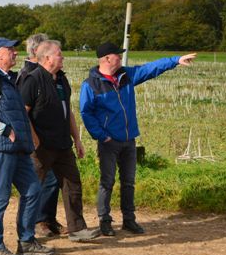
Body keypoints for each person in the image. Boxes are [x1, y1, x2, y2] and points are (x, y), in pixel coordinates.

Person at [80, 43, 197, 235]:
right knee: (107, 182)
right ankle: (105, 221)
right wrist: (102, 136)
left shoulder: (127, 76)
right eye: (118, 55)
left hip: (129, 140)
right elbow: (86, 113)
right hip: (109, 142)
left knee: (128, 182)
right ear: (107, 59)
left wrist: (175, 60)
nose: (121, 57)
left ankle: (129, 220)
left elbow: (150, 69)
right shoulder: (91, 84)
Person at [0, 37, 54, 255]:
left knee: (33, 191)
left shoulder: (8, 79)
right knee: (0, 197)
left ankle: (27, 242)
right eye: (10, 50)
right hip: (2, 148)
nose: (16, 53)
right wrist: (6, 131)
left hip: (18, 148)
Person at [19, 40, 100, 242]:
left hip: (63, 144)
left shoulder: (62, 80)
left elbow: (68, 112)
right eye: (59, 54)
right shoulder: (33, 79)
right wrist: (34, 138)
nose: (63, 57)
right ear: (47, 58)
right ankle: (26, 234)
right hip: (41, 146)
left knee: (72, 185)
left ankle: (77, 229)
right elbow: (22, 113)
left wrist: (77, 139)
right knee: (33, 189)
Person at [17, 34, 63, 238]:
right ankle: (35, 223)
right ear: (38, 52)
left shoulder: (52, 75)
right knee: (38, 181)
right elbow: (24, 110)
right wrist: (33, 137)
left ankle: (48, 219)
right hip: (35, 140)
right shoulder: (28, 75)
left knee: (51, 181)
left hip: (51, 139)